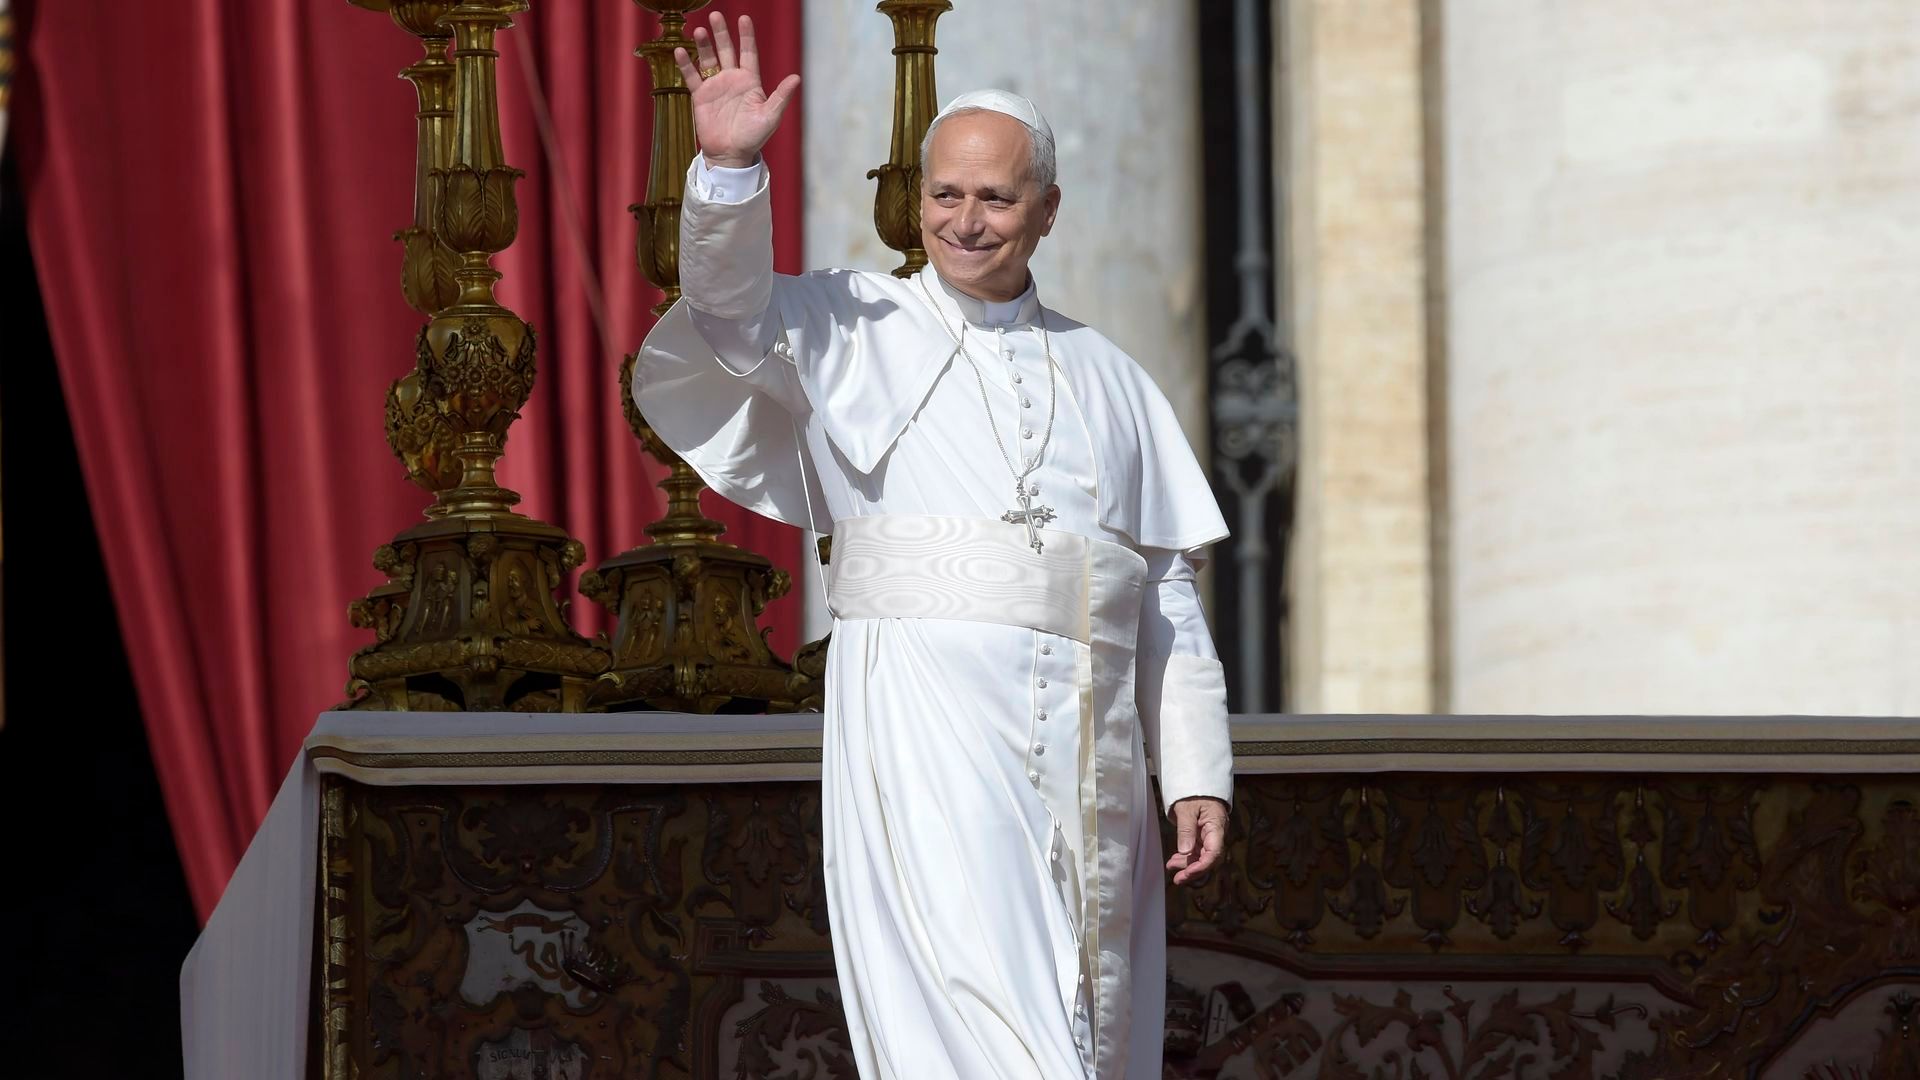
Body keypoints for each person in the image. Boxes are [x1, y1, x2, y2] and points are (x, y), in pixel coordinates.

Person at [634, 12, 1233, 1079]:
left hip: (1089, 750)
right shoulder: (849, 323)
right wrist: (727, 172)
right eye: (945, 194)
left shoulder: (1112, 376)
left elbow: (1165, 591)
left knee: (1086, 1029)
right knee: (982, 1028)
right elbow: (726, 317)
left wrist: (1195, 769)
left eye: (995, 197)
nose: (966, 221)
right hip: (927, 726)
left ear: (1047, 210)